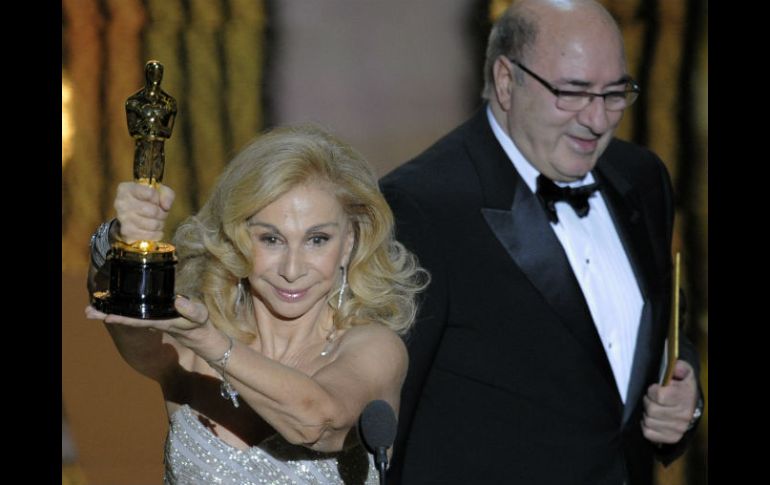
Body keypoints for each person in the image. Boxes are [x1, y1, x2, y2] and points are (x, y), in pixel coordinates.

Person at [379, 1, 704, 484]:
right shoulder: (422, 205)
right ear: (507, 81)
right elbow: (386, 419)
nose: (598, 120)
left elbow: (659, 332)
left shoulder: (641, 177)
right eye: (573, 92)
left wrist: (683, 395)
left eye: (616, 93)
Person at [86, 124, 428, 484]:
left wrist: (212, 343)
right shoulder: (192, 348)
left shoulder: (374, 348)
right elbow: (122, 313)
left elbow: (319, 421)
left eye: (317, 239)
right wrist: (119, 242)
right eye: (271, 239)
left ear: (349, 243)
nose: (292, 269)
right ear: (236, 238)